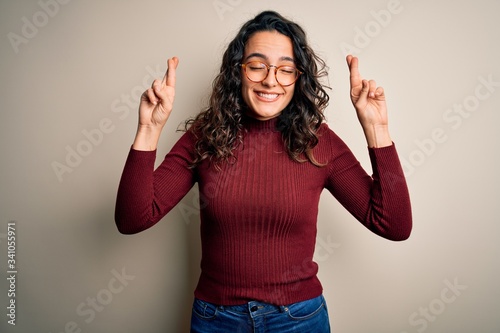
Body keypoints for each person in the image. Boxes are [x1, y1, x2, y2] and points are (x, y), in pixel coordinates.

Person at [114, 10, 412, 333]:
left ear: (298, 78)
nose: (270, 80)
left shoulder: (318, 142)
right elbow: (133, 218)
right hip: (217, 320)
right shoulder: (206, 136)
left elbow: (393, 224)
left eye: (285, 69)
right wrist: (148, 128)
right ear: (238, 72)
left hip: (299, 320)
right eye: (257, 66)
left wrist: (377, 128)